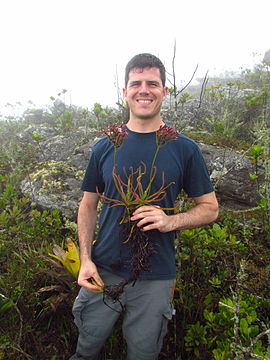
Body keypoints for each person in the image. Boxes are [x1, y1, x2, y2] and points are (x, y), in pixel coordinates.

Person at [70, 53, 219, 360]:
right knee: (86, 349)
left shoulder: (183, 147)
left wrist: (170, 221)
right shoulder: (105, 145)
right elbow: (87, 206)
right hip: (103, 270)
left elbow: (210, 208)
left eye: (153, 83)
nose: (144, 90)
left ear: (165, 91)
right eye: (135, 83)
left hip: (156, 276)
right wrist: (85, 259)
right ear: (124, 92)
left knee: (143, 354)